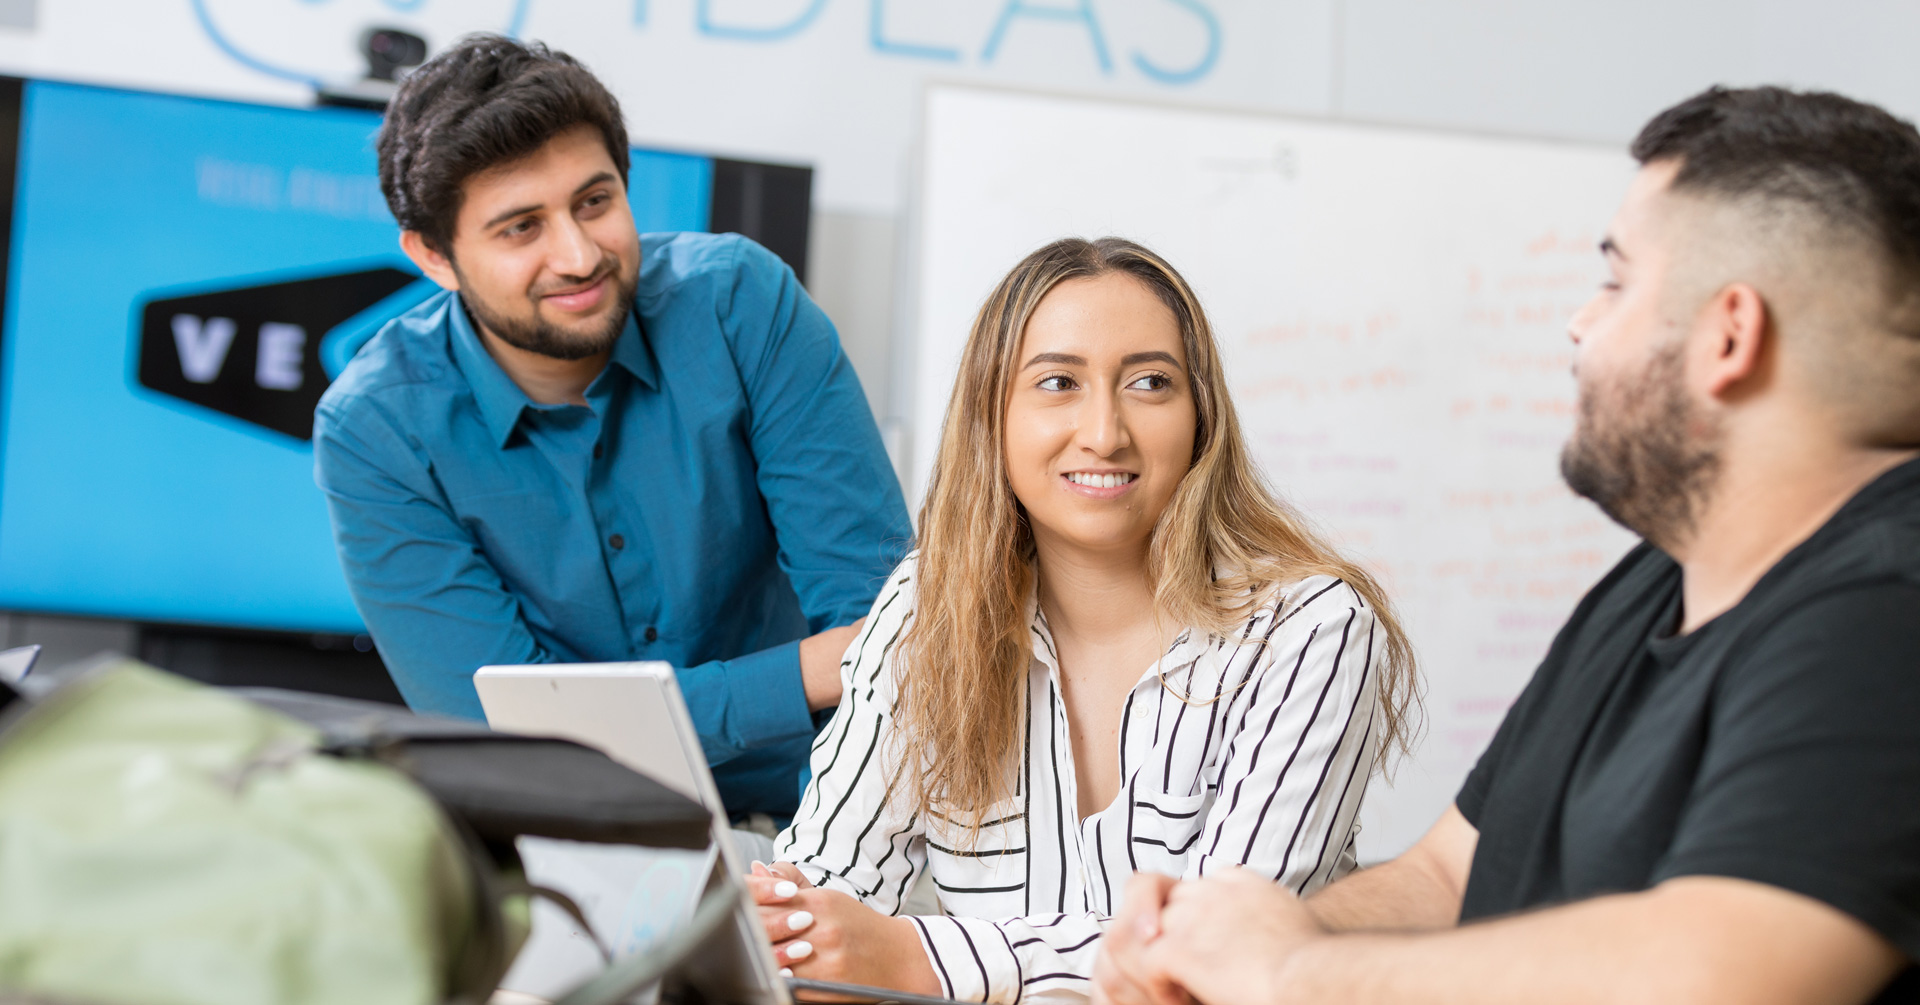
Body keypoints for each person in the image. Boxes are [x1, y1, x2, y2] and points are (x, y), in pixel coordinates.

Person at [1092, 85, 1920, 1005]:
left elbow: (1724, 973)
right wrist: (1221, 943)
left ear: (1730, 334)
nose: (1580, 321)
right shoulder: (1656, 578)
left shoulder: (1889, 608)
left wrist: (1293, 974)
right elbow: (1448, 877)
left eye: (1615, 280)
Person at [743, 237, 1420, 1003]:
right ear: (991, 414)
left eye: (1151, 383)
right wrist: (783, 923)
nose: (1104, 431)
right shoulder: (926, 608)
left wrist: (911, 955)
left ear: (1201, 416)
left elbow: (1211, 958)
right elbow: (826, 880)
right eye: (1058, 381)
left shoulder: (1309, 631)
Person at [313, 36, 911, 819]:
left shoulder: (741, 303)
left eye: (594, 202)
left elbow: (887, 641)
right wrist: (803, 673)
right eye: (521, 227)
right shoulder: (377, 429)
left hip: (815, 804)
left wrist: (825, 861)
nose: (578, 254)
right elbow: (504, 741)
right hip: (559, 830)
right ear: (434, 254)